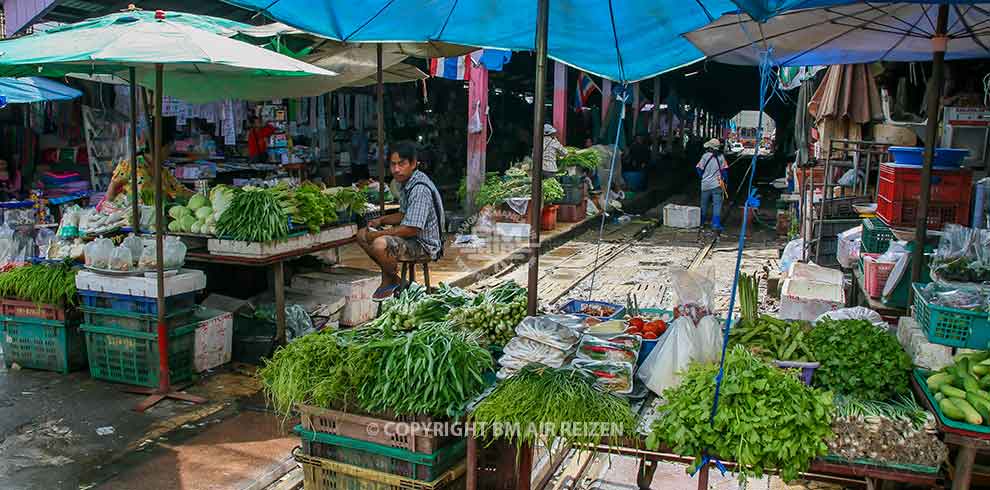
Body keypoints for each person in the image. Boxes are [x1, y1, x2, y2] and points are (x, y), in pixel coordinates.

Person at [356, 142, 444, 300]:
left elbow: (411, 229)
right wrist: (380, 220)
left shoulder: (419, 188)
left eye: (401, 164)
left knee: (379, 244)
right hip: (412, 238)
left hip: (424, 244)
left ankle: (392, 280)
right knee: (362, 234)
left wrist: (379, 234)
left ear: (413, 163)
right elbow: (404, 215)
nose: (396, 169)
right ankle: (395, 280)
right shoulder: (405, 183)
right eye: (393, 164)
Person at [696, 138, 728, 231]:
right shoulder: (721, 157)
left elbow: (698, 169)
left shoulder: (705, 156)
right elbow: (725, 172)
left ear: (709, 147)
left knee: (704, 204)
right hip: (717, 185)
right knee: (717, 204)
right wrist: (724, 181)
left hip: (705, 185)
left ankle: (701, 223)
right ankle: (716, 224)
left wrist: (703, 177)